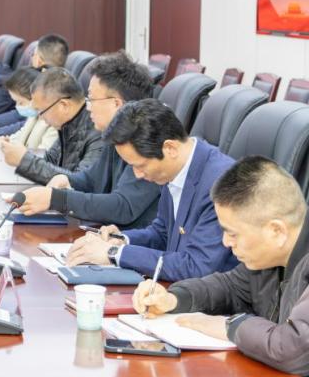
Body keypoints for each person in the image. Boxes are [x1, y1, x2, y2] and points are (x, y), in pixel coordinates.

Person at [134, 157, 309, 376]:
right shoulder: (266, 261)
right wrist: (173, 299)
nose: (226, 242)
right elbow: (229, 287)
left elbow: (294, 349)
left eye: (233, 233)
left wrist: (230, 326)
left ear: (276, 231)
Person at [66, 99, 238, 280]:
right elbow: (162, 234)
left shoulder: (221, 183)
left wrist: (114, 253)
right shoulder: (176, 168)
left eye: (140, 165)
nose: (138, 175)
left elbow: (197, 266)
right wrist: (121, 240)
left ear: (170, 148)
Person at [17, 51, 161, 230]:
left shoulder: (150, 138)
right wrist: (67, 180)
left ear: (116, 104)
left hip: (133, 240)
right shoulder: (115, 134)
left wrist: (56, 199)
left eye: (92, 99)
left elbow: (123, 206)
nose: (88, 107)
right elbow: (92, 179)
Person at [0, 67, 104, 184]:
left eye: (41, 111)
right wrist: (19, 153)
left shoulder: (99, 129)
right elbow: (51, 160)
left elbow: (81, 183)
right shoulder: (68, 124)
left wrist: (24, 161)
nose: (41, 118)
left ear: (64, 105)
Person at [0, 67, 58, 150]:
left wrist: (15, 150)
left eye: (21, 102)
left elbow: (44, 154)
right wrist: (6, 142)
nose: (17, 106)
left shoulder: (55, 123)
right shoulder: (33, 117)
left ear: (34, 98)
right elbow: (20, 136)